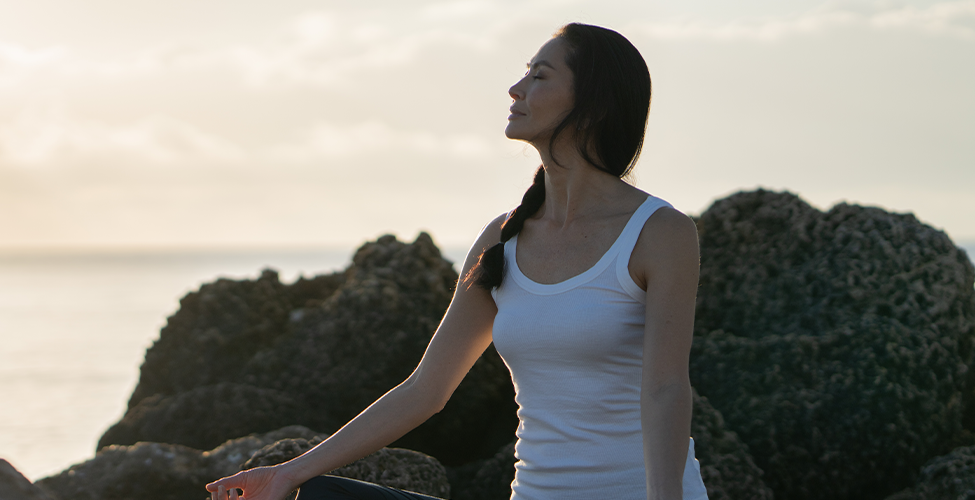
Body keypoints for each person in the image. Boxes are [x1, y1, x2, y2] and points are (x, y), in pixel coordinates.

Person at [206, 22, 708, 500]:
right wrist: (287, 473)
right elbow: (426, 389)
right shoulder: (503, 238)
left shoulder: (659, 232)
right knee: (319, 496)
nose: (515, 89)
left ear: (594, 102)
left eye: (539, 76)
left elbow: (665, 389)